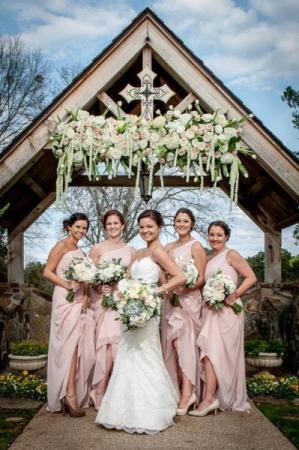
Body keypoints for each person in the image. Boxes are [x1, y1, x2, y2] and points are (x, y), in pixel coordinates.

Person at [95, 209, 186, 434]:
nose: (145, 230)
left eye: (150, 227)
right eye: (142, 227)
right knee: (127, 357)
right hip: (130, 310)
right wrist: (116, 291)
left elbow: (180, 277)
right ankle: (122, 411)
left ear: (159, 228)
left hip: (147, 311)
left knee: (147, 355)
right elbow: (127, 280)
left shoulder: (159, 252)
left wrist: (156, 292)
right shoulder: (137, 253)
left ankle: (150, 412)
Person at [190, 221, 257, 416]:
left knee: (220, 354)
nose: (214, 238)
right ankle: (211, 397)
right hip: (210, 311)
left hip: (228, 312)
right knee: (209, 351)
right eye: (211, 234)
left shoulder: (231, 254)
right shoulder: (209, 258)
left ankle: (211, 398)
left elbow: (251, 277)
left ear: (227, 236)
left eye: (219, 235)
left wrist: (235, 294)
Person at [44, 213, 95, 417]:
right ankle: (68, 395)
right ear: (69, 227)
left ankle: (71, 393)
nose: (81, 231)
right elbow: (47, 272)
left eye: (84, 228)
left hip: (79, 299)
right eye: (78, 227)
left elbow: (87, 279)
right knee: (67, 347)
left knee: (78, 345)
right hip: (64, 299)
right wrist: (66, 284)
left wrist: (85, 298)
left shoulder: (82, 253)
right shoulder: (61, 246)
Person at [89, 210, 135, 410]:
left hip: (120, 301)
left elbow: (131, 278)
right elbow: (89, 278)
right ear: (105, 226)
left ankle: (109, 390)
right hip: (102, 301)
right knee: (105, 345)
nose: (113, 226)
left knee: (117, 346)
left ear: (123, 225)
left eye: (116, 223)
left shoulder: (131, 251)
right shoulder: (97, 249)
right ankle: (100, 389)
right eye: (109, 224)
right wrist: (99, 286)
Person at [164, 208, 206, 415]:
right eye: (178, 220)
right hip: (171, 301)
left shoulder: (196, 246)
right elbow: (164, 274)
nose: (181, 224)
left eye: (185, 221)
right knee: (172, 345)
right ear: (174, 223)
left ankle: (189, 392)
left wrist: (187, 287)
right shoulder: (168, 247)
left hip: (189, 300)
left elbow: (201, 278)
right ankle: (179, 388)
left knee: (185, 345)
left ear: (192, 223)